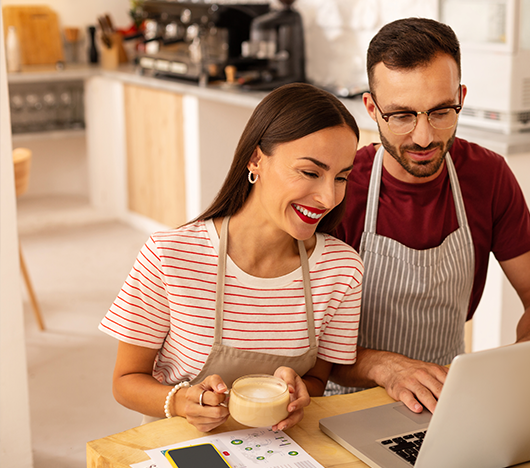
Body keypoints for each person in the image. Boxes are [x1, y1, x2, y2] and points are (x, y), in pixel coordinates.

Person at [327, 18, 530, 413]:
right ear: (371, 108)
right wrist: (384, 367)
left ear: (461, 97)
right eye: (402, 116)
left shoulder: (487, 176)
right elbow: (303, 342)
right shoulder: (339, 188)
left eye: (441, 111)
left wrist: (519, 358)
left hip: (446, 402)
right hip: (346, 407)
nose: (424, 137)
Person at [100, 83, 363, 433]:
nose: (328, 197)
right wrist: (180, 401)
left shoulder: (341, 270)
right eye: (310, 172)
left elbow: (316, 379)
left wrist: (302, 393)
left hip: (278, 449)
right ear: (256, 160)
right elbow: (125, 381)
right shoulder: (170, 256)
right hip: (181, 443)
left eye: (341, 176)